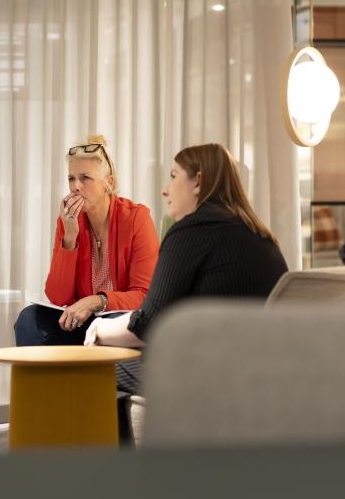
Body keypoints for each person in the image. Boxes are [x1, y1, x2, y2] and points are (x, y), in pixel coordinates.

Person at [85, 143, 288, 395]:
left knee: (91, 366)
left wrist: (98, 329)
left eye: (173, 176)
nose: (165, 190)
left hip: (209, 375)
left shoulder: (191, 231)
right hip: (259, 372)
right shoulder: (262, 236)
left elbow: (149, 324)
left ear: (198, 182)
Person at [14, 135, 160, 346]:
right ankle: (38, 371)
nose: (75, 186)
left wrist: (97, 301)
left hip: (117, 319)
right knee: (29, 319)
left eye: (85, 178)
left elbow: (145, 295)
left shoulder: (136, 217)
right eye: (71, 178)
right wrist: (69, 238)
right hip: (81, 321)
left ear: (108, 183)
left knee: (112, 324)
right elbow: (58, 297)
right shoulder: (68, 222)